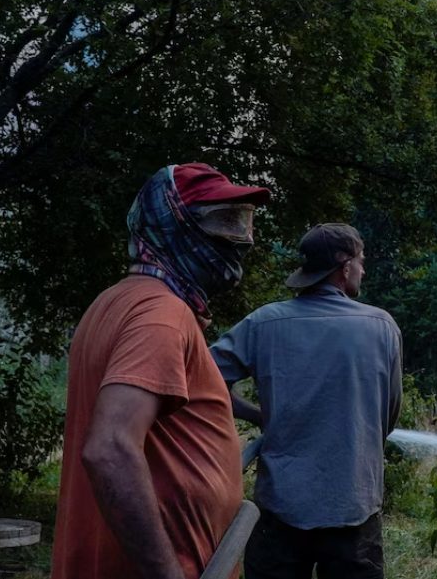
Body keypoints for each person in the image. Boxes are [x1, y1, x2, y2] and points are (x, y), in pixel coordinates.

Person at [51, 163, 271, 579]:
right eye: (222, 223)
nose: (239, 242)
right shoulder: (160, 314)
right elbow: (110, 448)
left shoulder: (119, 301)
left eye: (240, 223)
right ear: (170, 224)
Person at [211, 223, 403, 579]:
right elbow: (387, 418)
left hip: (281, 510)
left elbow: (201, 379)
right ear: (345, 267)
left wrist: (257, 416)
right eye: (361, 261)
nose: (364, 269)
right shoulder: (381, 327)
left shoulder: (263, 323)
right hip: (354, 507)